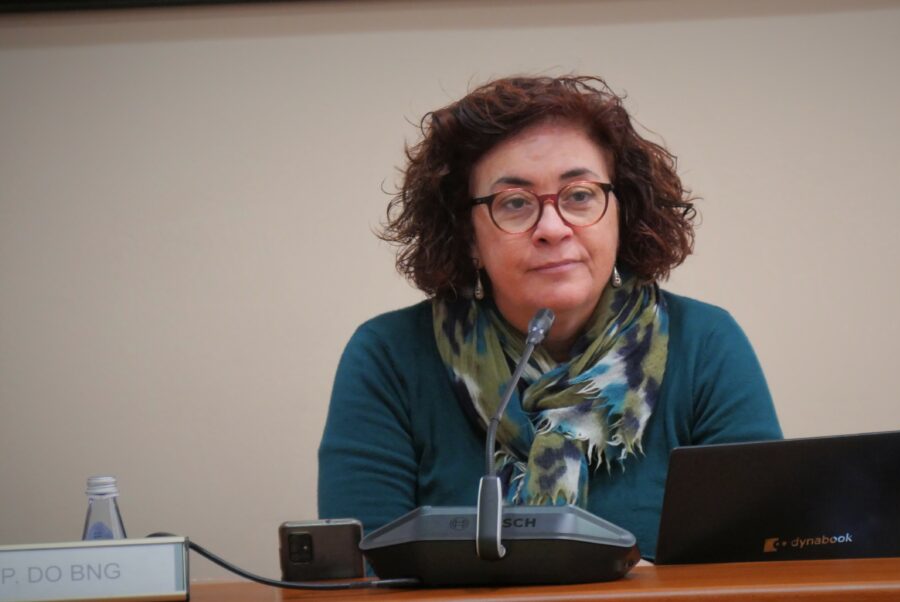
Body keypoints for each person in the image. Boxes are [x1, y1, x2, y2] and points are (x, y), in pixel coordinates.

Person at [318, 75, 782, 560]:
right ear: (469, 236)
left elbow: (758, 561)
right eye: (515, 203)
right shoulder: (390, 356)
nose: (553, 228)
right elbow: (365, 572)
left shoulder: (704, 343)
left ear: (621, 213)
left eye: (579, 195)